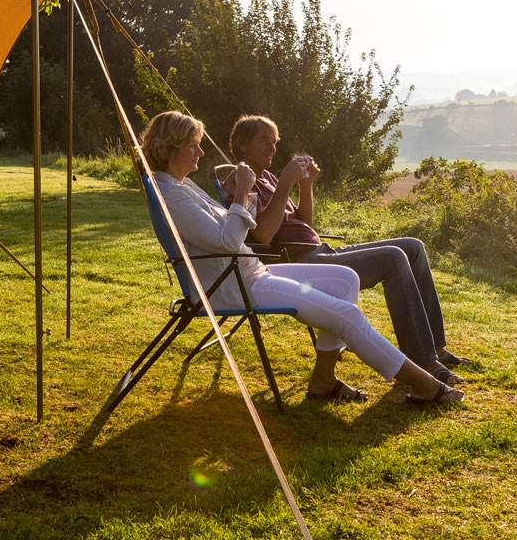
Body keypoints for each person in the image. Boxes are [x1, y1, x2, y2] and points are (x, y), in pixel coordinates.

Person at [141, 110, 463, 405]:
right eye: (193, 145)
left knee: (346, 279)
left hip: (251, 273)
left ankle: (323, 380)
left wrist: (258, 194)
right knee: (346, 315)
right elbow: (228, 240)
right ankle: (424, 383)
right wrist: (241, 194)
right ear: (172, 148)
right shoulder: (171, 194)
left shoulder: (181, 186)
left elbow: (233, 228)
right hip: (234, 285)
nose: (200, 151)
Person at [223, 114, 472, 387]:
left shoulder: (268, 177)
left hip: (322, 250)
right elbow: (263, 234)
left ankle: (434, 348)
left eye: (274, 142)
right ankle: (422, 360)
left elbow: (303, 223)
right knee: (393, 258)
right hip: (301, 263)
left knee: (413, 246)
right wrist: (285, 183)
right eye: (264, 141)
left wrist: (306, 184)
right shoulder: (242, 180)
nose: (272, 149)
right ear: (243, 144)